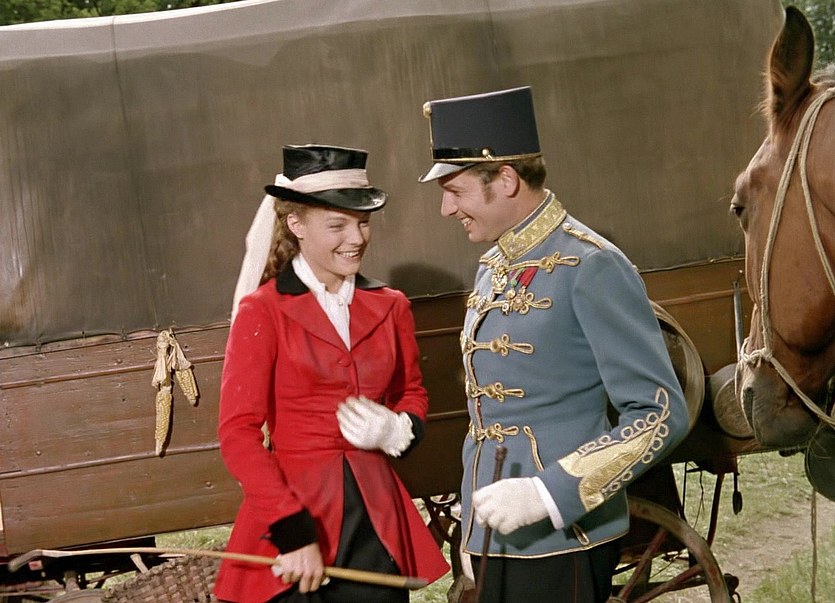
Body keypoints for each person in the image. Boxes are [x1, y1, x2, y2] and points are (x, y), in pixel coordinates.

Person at [417, 87, 690, 602]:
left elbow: (659, 413)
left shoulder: (592, 264)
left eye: (455, 191)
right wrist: (474, 528)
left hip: (564, 538)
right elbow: (489, 418)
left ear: (505, 180)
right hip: (494, 535)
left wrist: (548, 493)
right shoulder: (495, 265)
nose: (446, 208)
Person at [215, 144, 449, 603]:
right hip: (295, 517)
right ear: (296, 225)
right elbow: (237, 434)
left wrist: (401, 428)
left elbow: (411, 392)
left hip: (375, 519)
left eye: (363, 223)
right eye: (337, 225)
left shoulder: (392, 306)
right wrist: (291, 531)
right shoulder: (263, 311)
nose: (356, 238)